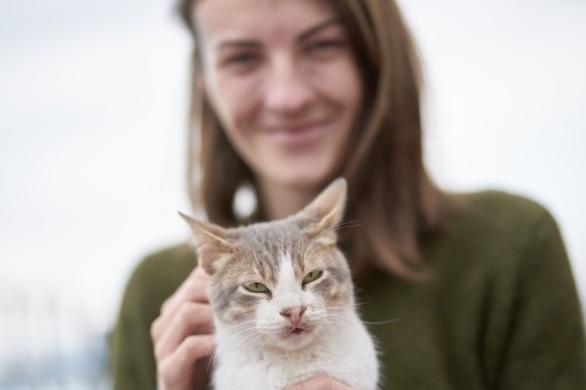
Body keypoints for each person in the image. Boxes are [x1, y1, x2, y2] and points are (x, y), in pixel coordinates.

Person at [110, 0, 586, 389]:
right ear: (204, 80)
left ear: (376, 57)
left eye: (321, 45)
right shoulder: (157, 297)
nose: (287, 96)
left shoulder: (511, 246)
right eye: (242, 57)